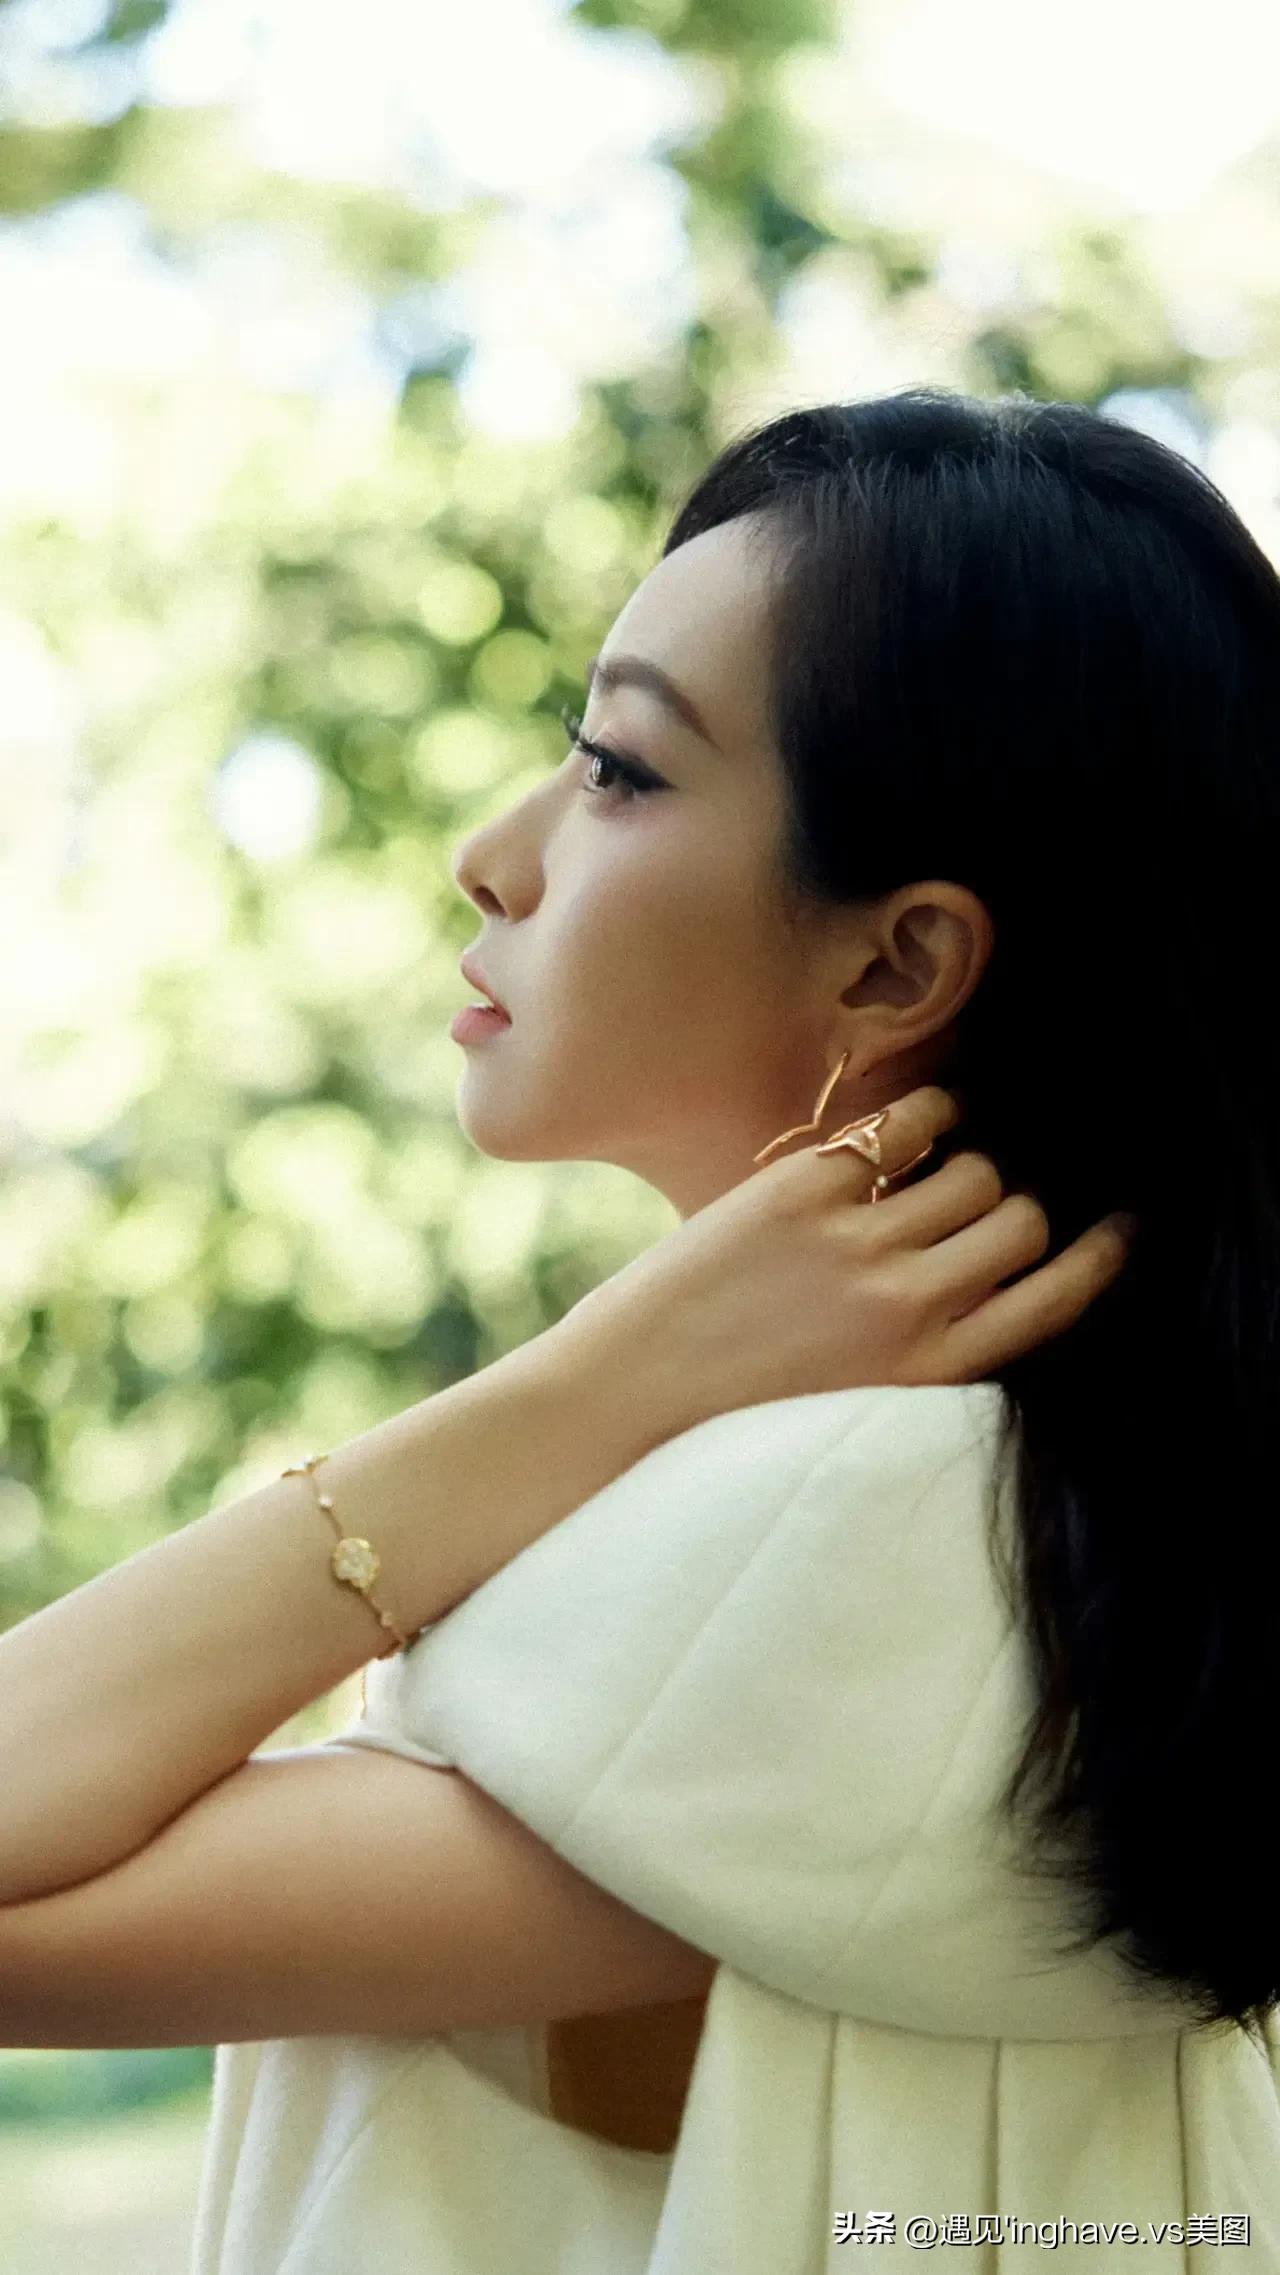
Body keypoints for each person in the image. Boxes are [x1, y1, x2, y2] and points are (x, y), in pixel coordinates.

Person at [0, 387, 1274, 2272]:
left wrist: (597, 1378)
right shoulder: (1042, 1507)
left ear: (899, 961)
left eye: (617, 767)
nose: (493, 851)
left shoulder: (880, 1523)